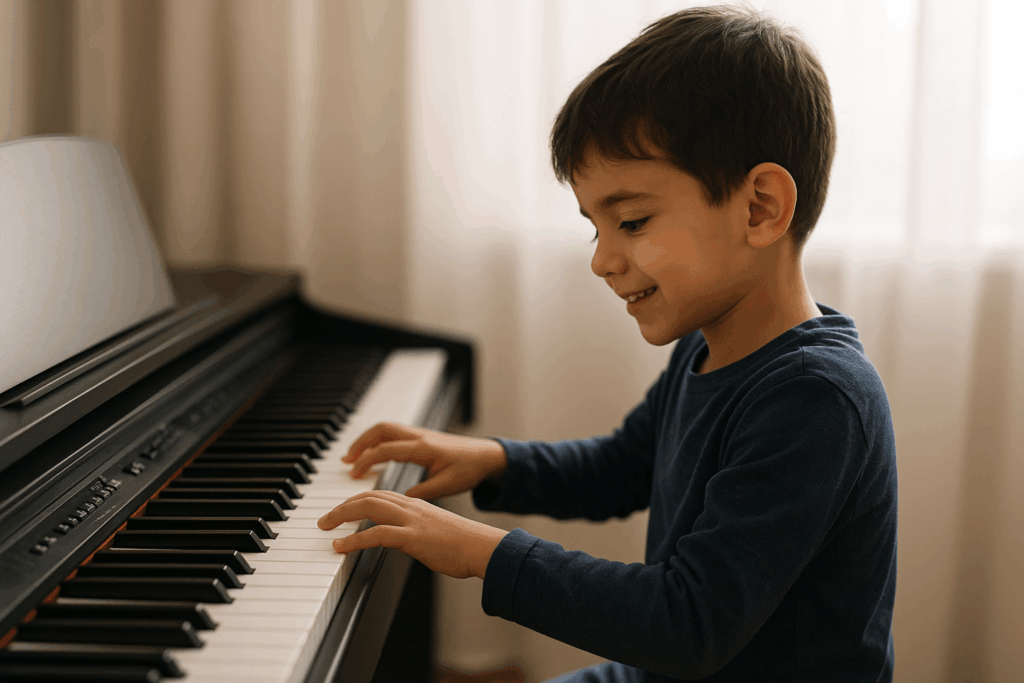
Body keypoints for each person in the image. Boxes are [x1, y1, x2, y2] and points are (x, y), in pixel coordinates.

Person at [317, 6, 897, 682]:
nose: (602, 260)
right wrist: (490, 460)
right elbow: (625, 464)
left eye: (631, 220)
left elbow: (688, 622)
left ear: (760, 207)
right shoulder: (708, 349)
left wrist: (487, 552)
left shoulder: (815, 396)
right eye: (597, 227)